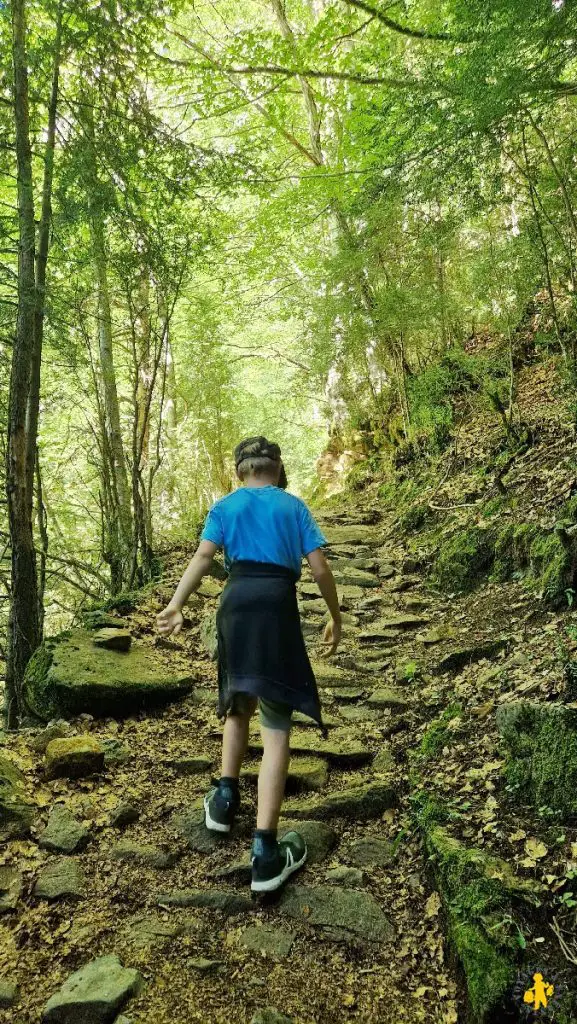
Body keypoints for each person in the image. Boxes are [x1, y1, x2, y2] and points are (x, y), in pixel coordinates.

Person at [156, 436, 342, 893]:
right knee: (276, 725)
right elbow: (318, 569)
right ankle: (265, 852)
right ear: (276, 470)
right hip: (275, 608)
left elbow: (203, 557)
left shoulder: (226, 507)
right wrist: (337, 618)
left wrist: (176, 604)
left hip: (234, 606)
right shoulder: (293, 508)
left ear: (240, 471)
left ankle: (223, 800)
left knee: (236, 704)